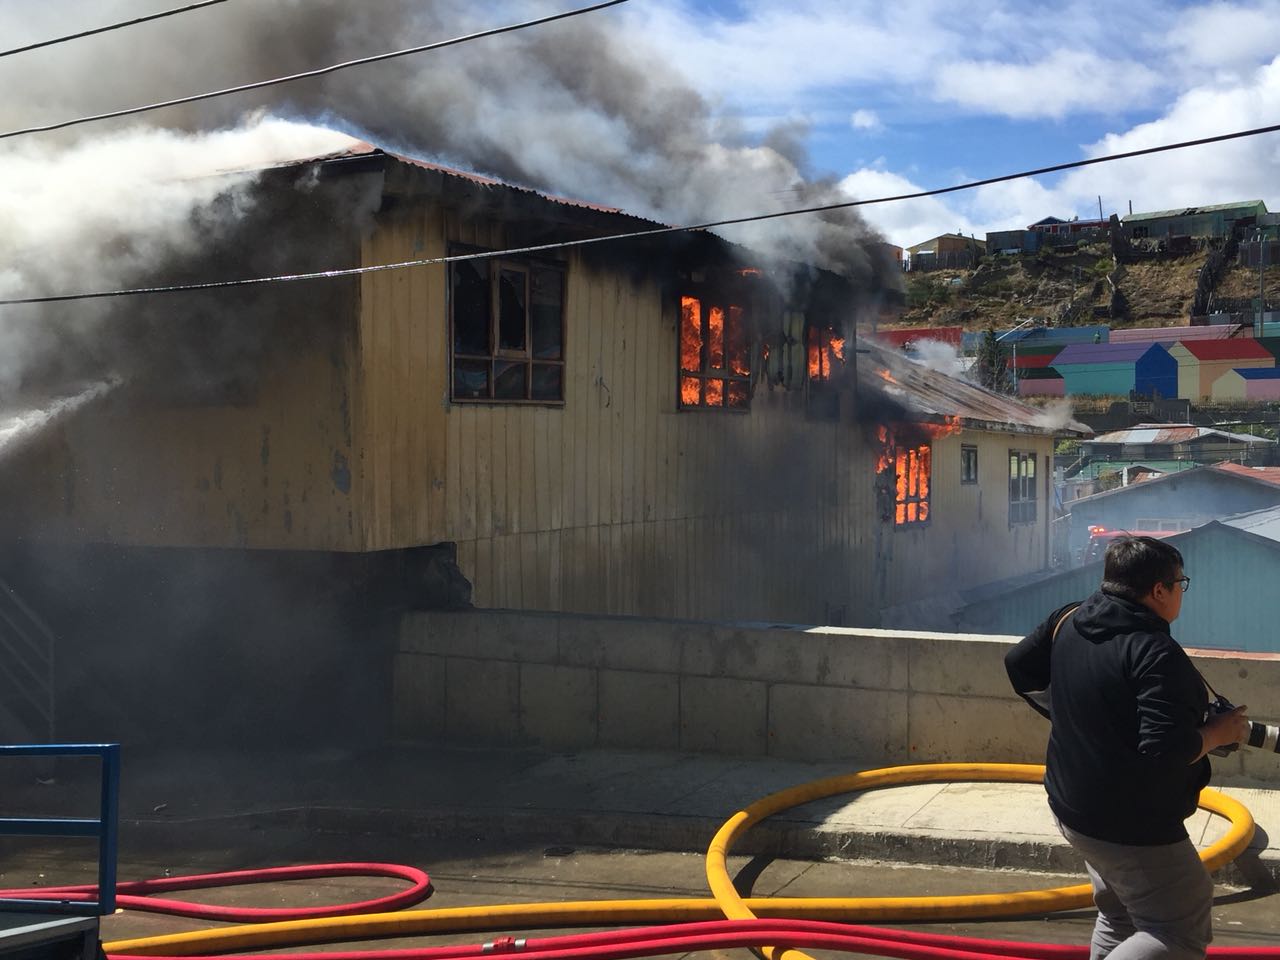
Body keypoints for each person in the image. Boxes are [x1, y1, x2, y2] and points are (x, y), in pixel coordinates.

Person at [1005, 535, 1250, 960]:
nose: (1181, 593)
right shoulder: (1155, 653)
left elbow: (1018, 665)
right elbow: (1165, 750)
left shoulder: (1070, 618)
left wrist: (1074, 715)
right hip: (1129, 825)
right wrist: (1219, 734)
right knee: (1178, 927)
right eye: (1180, 583)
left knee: (1122, 916)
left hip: (1072, 805)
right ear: (1159, 590)